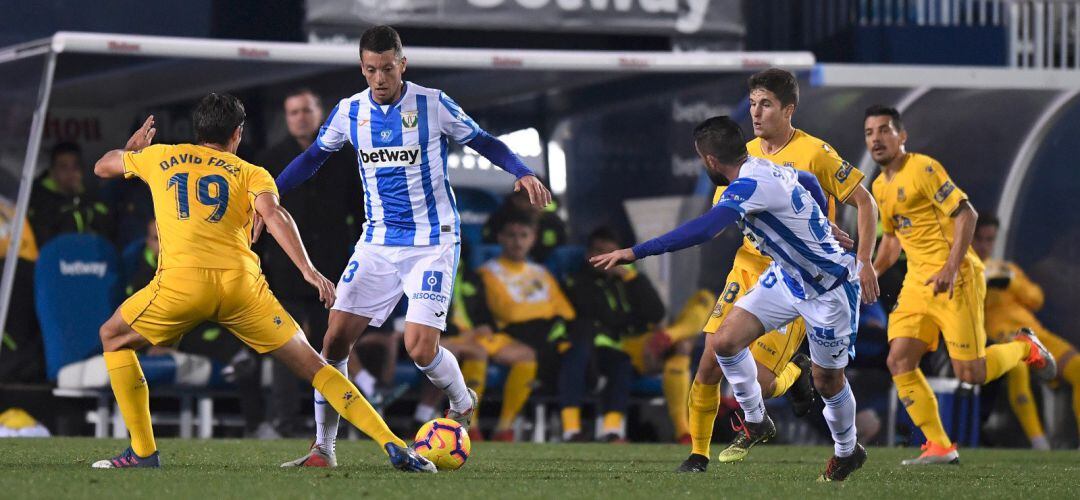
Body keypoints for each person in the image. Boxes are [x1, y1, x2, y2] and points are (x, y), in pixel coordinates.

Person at [89, 94, 434, 473]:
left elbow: (102, 167)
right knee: (317, 367)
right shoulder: (251, 171)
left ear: (197, 130)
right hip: (242, 288)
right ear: (237, 133)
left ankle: (143, 452)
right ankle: (393, 443)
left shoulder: (161, 156)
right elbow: (274, 214)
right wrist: (308, 269)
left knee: (114, 337)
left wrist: (130, 150)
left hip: (182, 285)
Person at [273, 25, 551, 466]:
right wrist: (270, 196)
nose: (379, 78)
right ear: (361, 69)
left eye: (387, 68)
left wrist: (521, 170)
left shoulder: (432, 104)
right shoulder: (350, 112)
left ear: (402, 64)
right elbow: (312, 158)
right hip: (378, 242)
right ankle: (323, 448)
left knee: (420, 348)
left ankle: (462, 403)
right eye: (370, 70)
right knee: (333, 343)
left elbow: (482, 140)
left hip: (433, 241)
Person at [592, 116, 868, 481]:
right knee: (723, 342)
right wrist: (821, 218)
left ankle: (848, 451)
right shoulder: (763, 167)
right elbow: (809, 180)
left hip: (829, 289)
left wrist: (636, 251)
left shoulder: (749, 185)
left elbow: (705, 229)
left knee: (827, 382)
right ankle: (756, 421)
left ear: (709, 161)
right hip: (785, 278)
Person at [679, 68, 879, 472]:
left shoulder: (815, 152)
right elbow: (725, 215)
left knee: (766, 384)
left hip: (799, 274)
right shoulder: (741, 154)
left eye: (766, 104)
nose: (756, 112)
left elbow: (864, 201)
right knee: (711, 355)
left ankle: (795, 375)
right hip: (750, 267)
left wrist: (863, 259)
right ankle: (698, 455)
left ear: (788, 109)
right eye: (752, 103)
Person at [866, 105, 1055, 465]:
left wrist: (951, 268)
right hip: (919, 283)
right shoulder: (879, 185)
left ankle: (1022, 347)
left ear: (901, 136)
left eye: (884, 130)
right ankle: (939, 445)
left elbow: (966, 213)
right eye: (870, 133)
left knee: (971, 372)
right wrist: (873, 272)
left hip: (957, 278)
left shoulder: (923, 168)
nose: (876, 139)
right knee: (899, 359)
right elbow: (892, 240)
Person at [256, 88, 364, 436]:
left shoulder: (346, 158)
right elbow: (260, 217)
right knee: (288, 345)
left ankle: (345, 423)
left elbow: (362, 214)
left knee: (335, 346)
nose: (300, 117)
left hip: (334, 270)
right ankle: (284, 422)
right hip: (286, 274)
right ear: (286, 119)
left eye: (306, 110)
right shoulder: (272, 159)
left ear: (320, 112)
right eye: (293, 112)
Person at [973, 215, 1080, 450]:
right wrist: (981, 284)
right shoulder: (964, 271)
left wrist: (1010, 282)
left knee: (1077, 367)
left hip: (1036, 333)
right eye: (979, 239)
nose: (984, 245)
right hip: (1002, 337)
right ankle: (1039, 442)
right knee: (1018, 370)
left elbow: (1037, 299)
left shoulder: (1006, 269)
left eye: (989, 239)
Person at [561, 227, 670, 442]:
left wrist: (632, 280)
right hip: (588, 348)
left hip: (621, 348)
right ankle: (571, 430)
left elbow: (656, 313)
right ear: (588, 255)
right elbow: (595, 315)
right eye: (600, 252)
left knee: (622, 364)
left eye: (611, 253)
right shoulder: (577, 282)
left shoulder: (629, 282)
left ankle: (612, 431)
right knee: (578, 358)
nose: (606, 259)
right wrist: (628, 321)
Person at [477, 210, 567, 441]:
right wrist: (543, 309)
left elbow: (565, 311)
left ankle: (504, 427)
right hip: (502, 336)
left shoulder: (541, 272)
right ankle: (470, 425)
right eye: (511, 235)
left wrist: (532, 310)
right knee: (520, 354)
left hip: (537, 338)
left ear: (533, 238)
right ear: (500, 238)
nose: (517, 241)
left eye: (523, 235)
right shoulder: (488, 272)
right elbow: (508, 311)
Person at [28, 142, 113, 246]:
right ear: (52, 171)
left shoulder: (91, 195)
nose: (71, 172)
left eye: (75, 166)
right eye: (64, 167)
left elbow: (107, 223)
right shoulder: (39, 198)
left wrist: (78, 198)